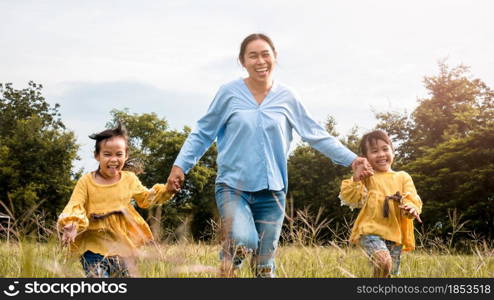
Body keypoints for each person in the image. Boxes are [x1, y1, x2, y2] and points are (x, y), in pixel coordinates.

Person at [167, 33, 373, 278]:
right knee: (243, 241)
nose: (260, 61)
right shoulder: (229, 93)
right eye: (252, 55)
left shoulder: (287, 97)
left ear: (275, 57)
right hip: (233, 186)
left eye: (265, 54)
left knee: (265, 268)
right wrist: (181, 165)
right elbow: (203, 132)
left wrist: (352, 159)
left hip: (273, 192)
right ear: (242, 61)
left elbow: (315, 133)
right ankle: (226, 265)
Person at [57, 123, 175, 277]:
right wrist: (72, 223)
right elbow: (75, 204)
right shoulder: (86, 181)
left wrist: (167, 190)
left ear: (125, 156)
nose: (113, 159)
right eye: (107, 154)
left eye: (119, 154)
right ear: (97, 156)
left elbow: (145, 198)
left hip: (124, 248)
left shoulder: (129, 179)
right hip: (93, 249)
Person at [339, 129, 422, 278]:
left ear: (393, 151)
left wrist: (411, 208)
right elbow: (350, 198)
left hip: (395, 234)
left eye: (385, 149)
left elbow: (412, 198)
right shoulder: (367, 177)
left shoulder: (403, 177)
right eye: (374, 151)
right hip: (371, 231)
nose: (381, 154)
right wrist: (357, 178)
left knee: (387, 273)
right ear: (365, 158)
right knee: (383, 262)